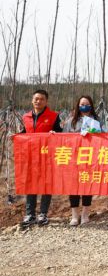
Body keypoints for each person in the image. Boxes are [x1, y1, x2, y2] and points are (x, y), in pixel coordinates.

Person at [20, 89, 63, 227]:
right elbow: (23, 133)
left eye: (42, 99)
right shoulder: (26, 117)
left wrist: (54, 133)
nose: (38, 101)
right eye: (36, 99)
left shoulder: (54, 116)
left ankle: (43, 214)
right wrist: (16, 136)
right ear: (32, 100)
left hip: (47, 156)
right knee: (30, 185)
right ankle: (29, 214)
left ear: (46, 101)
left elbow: (60, 133)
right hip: (30, 156)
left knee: (46, 185)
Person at [63, 95, 101, 226]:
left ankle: (85, 213)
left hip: (90, 158)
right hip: (74, 158)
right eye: (82, 104)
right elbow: (64, 139)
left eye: (87, 103)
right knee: (73, 187)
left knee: (87, 186)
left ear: (91, 105)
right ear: (78, 106)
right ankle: (74, 215)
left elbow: (105, 137)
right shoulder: (71, 122)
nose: (84, 106)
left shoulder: (96, 120)